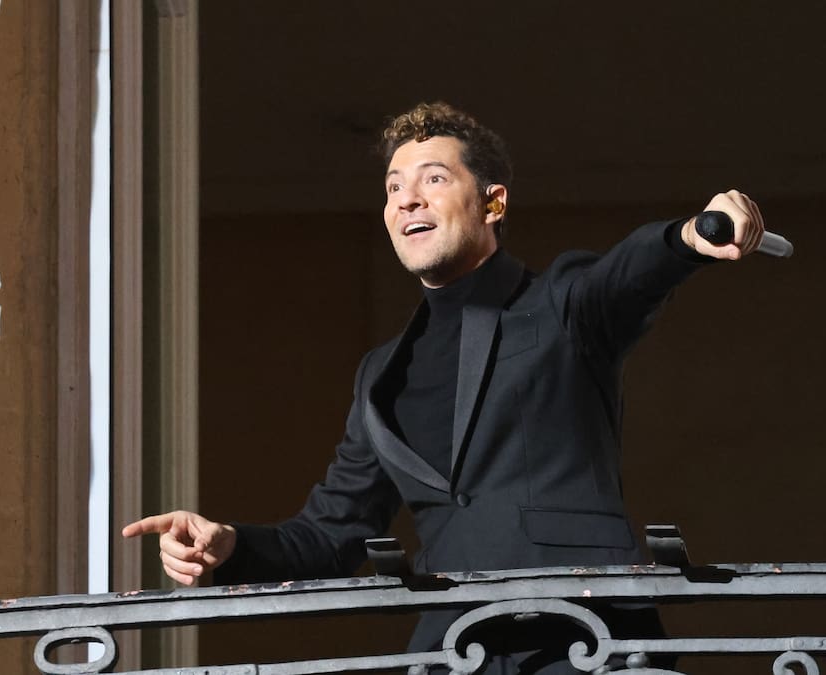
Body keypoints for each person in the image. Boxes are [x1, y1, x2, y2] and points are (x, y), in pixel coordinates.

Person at [123, 101, 765, 671]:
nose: (407, 199)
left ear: (493, 202)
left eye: (433, 179)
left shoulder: (559, 305)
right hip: (456, 649)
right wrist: (230, 546)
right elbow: (330, 534)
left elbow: (625, 275)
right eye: (393, 187)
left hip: (585, 638)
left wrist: (689, 236)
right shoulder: (381, 374)